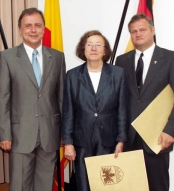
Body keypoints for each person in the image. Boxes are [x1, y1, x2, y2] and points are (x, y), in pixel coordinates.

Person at [115, 13, 174, 191]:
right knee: (129, 188)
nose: (138, 34)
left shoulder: (170, 58)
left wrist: (170, 130)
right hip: (128, 139)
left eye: (142, 30)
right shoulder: (121, 61)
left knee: (158, 187)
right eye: (134, 31)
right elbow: (117, 100)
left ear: (153, 30)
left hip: (157, 138)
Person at [0, 8, 66, 191]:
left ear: (43, 29)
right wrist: (5, 134)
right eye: (28, 26)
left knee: (44, 185)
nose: (33, 30)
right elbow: (3, 98)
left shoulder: (57, 57)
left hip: (50, 135)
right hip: (19, 136)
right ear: (20, 29)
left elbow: (61, 97)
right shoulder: (7, 57)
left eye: (37, 25)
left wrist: (64, 133)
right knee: (19, 186)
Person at [62, 30, 128, 191]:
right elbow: (68, 111)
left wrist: (121, 140)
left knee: (107, 185)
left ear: (105, 50)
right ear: (83, 49)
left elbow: (122, 109)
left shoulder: (118, 74)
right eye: (89, 44)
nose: (94, 48)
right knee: (84, 184)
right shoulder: (72, 75)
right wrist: (68, 143)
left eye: (98, 45)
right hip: (82, 141)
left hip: (109, 140)